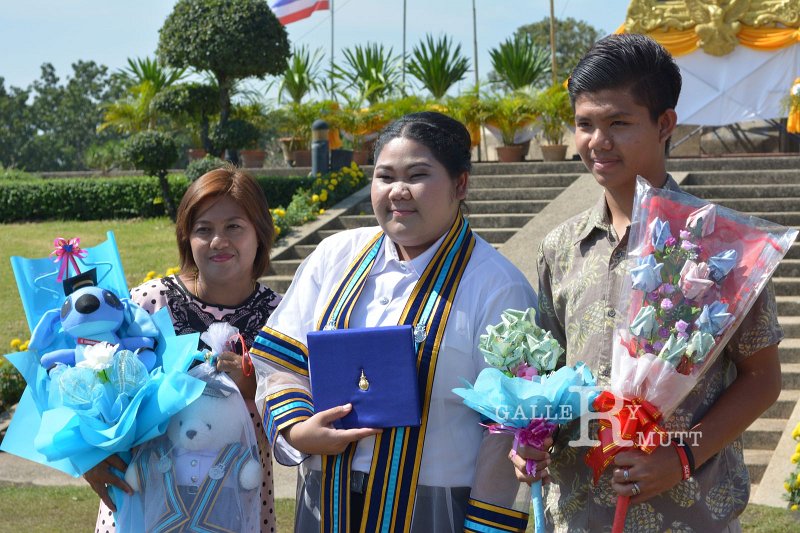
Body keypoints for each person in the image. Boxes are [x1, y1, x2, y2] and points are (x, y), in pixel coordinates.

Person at [522, 34, 783, 531]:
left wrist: (682, 457)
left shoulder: (720, 246)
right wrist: (531, 436)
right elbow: (549, 372)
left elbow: (762, 378)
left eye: (618, 123)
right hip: (578, 512)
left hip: (687, 512)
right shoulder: (559, 247)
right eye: (585, 124)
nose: (598, 141)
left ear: (664, 124)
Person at [251, 111, 537, 532]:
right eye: (384, 176)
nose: (398, 191)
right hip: (327, 496)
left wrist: (486, 525)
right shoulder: (335, 255)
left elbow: (508, 427)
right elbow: (281, 361)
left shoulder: (498, 286)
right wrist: (297, 429)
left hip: (434, 506)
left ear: (460, 184)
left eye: (417, 175)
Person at [88, 167, 282, 533]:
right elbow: (90, 382)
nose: (218, 241)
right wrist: (88, 457)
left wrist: (255, 385)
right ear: (186, 238)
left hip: (235, 508)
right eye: (203, 229)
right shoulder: (148, 304)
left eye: (234, 227)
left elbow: (302, 409)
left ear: (260, 232)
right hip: (142, 505)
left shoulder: (282, 317)